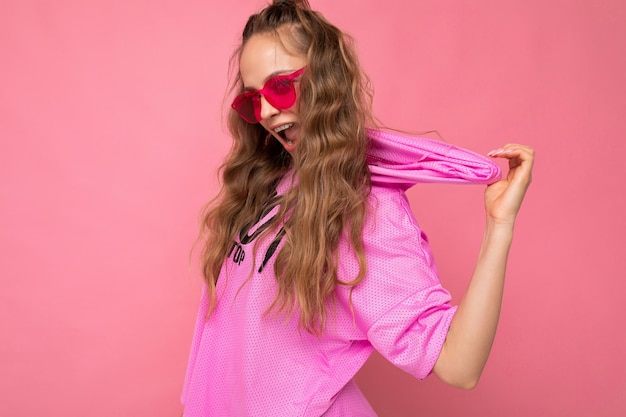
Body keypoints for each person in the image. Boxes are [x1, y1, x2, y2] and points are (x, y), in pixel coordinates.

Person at [181, 0, 534, 415]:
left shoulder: (364, 209)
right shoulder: (268, 182)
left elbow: (460, 366)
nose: (269, 111)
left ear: (325, 79)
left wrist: (500, 225)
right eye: (253, 100)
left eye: (281, 86)